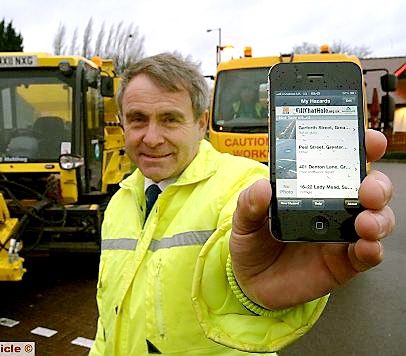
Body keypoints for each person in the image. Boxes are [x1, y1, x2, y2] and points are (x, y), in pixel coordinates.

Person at [89, 53, 395, 355]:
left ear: (200, 123)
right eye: (138, 120)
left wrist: (250, 291)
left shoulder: (247, 183)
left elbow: (235, 247)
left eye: (170, 119)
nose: (152, 138)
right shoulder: (120, 200)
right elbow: (108, 322)